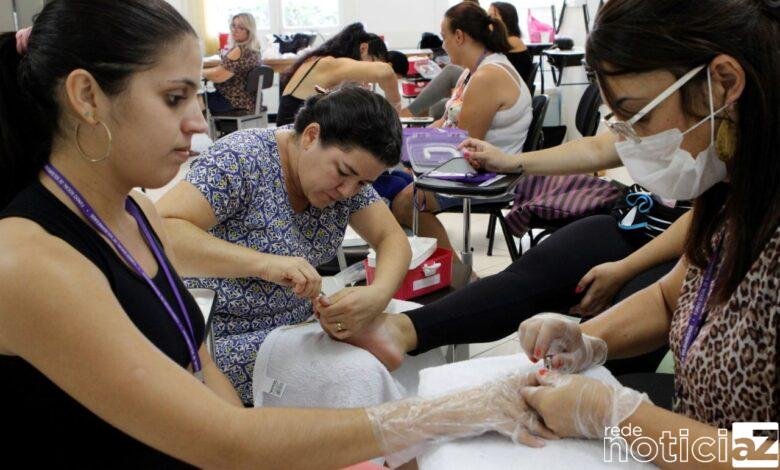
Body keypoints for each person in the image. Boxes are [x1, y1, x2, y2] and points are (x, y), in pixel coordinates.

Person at [0, 1, 556, 466]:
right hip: (244, 363)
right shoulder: (30, 263)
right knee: (359, 378)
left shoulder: (133, 216)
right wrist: (452, 413)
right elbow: (223, 439)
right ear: (88, 97)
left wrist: (377, 296)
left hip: (260, 365)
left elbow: (202, 370)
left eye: (196, 96)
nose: (198, 121)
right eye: (175, 98)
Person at [515, 0, 778, 463]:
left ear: (725, 81)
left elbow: (767, 455)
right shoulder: (733, 190)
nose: (631, 141)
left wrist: (617, 418)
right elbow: (669, 299)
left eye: (640, 117)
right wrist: (587, 341)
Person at [156, 86, 413, 404]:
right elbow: (163, 231)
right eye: (344, 174)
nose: (349, 191)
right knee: (360, 375)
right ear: (310, 136)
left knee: (414, 333)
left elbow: (393, 239)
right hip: (224, 338)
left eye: (362, 183)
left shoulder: (348, 178)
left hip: (299, 326)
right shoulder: (241, 159)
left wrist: (377, 294)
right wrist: (264, 263)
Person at [391, 2, 533, 274]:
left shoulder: (488, 76)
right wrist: (405, 145)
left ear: (459, 36)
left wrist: (411, 154)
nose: (443, 45)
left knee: (405, 201)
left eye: (444, 37)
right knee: (391, 179)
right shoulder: (473, 72)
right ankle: (429, 271)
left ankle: (459, 277)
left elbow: (464, 144)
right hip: (470, 164)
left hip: (486, 174)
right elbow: (446, 123)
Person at [276, 23, 401, 126]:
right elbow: (386, 72)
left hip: (297, 129)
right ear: (363, 48)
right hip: (294, 134)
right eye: (373, 62)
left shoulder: (324, 61)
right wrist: (395, 110)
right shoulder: (330, 64)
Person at [202, 12, 261, 113]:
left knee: (194, 96)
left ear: (249, 31)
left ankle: (201, 128)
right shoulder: (255, 50)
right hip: (250, 101)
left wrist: (197, 71)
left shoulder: (239, 50)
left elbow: (218, 75)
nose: (235, 30)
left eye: (240, 28)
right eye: (233, 26)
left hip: (232, 101)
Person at [488, 2, 533, 83]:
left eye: (493, 16)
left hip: (515, 90)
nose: (489, 20)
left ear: (507, 19)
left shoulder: (513, 41)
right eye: (488, 16)